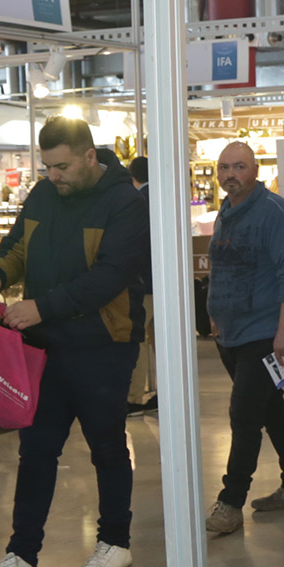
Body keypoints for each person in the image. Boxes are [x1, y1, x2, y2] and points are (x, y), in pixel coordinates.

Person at [0, 117, 150, 567]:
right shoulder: (44, 194)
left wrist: (40, 307)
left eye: (62, 166)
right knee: (36, 451)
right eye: (47, 167)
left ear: (89, 156)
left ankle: (115, 542)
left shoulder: (125, 202)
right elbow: (17, 246)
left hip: (104, 345)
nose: (54, 175)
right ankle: (22, 556)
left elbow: (108, 277)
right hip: (45, 346)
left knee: (107, 446)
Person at [203, 140, 284, 535]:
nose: (230, 174)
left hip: (264, 332)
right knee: (269, 408)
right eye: (224, 167)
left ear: (255, 171)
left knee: (244, 415)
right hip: (230, 332)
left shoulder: (273, 212)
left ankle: (231, 502)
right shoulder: (225, 212)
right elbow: (221, 266)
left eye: (239, 167)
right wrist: (214, 312)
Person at [126, 156, 157, 414]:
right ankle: (164, 393)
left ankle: (134, 397)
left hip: (144, 282)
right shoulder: (160, 198)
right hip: (162, 282)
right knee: (160, 342)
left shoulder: (138, 201)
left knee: (137, 338)